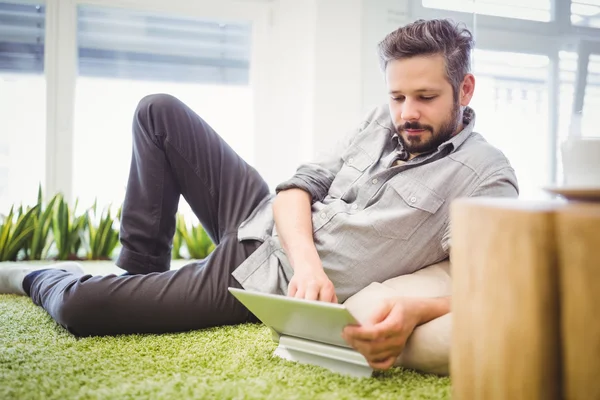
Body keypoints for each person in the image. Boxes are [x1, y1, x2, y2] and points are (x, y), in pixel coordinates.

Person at [0, 18, 518, 373]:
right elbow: (296, 187)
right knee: (156, 110)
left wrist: (416, 309)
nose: (406, 112)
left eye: (425, 98)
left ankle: (30, 276)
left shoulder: (484, 177)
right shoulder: (385, 120)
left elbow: (497, 288)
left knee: (84, 307)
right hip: (265, 219)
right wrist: (310, 263)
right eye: (397, 95)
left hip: (257, 274)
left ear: (465, 89)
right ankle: (138, 271)